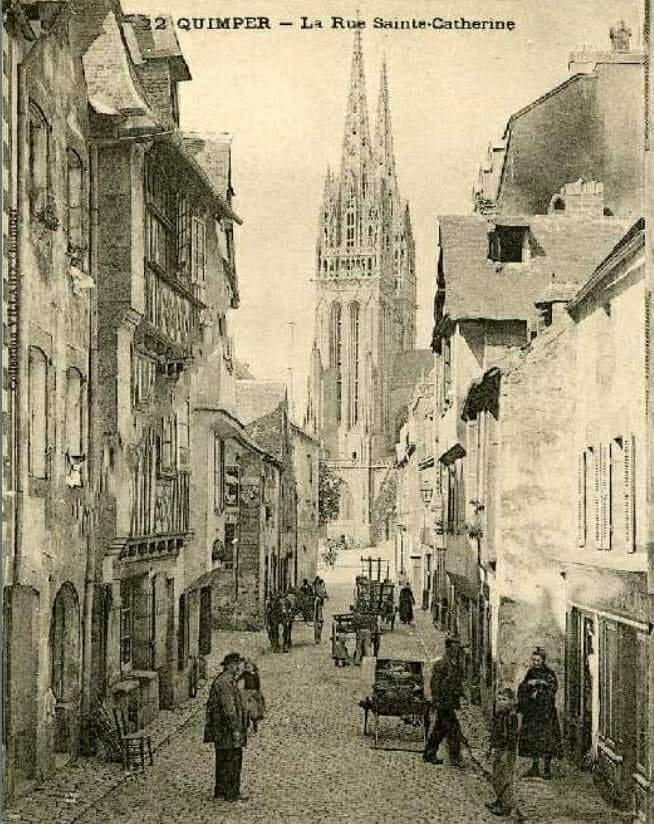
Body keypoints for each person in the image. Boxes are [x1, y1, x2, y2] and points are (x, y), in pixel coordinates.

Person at [204, 653, 248, 802]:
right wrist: (235, 729)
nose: (239, 667)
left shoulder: (227, 680)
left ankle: (221, 791)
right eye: (236, 664)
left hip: (222, 729)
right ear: (230, 665)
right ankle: (231, 793)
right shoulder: (225, 683)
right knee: (233, 759)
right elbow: (229, 709)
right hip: (226, 729)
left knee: (223, 758)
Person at [517, 647, 563, 779]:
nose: (535, 663)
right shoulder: (531, 672)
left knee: (547, 740)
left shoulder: (549, 674)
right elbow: (523, 687)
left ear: (543, 661)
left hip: (546, 713)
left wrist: (541, 689)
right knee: (533, 739)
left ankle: (547, 769)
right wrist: (529, 685)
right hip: (533, 713)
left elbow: (553, 689)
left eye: (538, 660)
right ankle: (535, 766)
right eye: (534, 660)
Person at [423, 637, 465, 767]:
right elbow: (435, 684)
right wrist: (436, 701)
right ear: (448, 649)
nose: (456, 651)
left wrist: (459, 691)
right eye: (454, 648)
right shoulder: (442, 664)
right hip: (443, 703)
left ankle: (429, 754)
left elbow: (455, 682)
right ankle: (455, 757)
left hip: (449, 703)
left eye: (457, 649)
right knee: (453, 729)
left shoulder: (454, 663)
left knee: (440, 730)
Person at [486, 687, 519, 817]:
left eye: (504, 699)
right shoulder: (499, 715)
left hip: (506, 750)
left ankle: (506, 805)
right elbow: (494, 734)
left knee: (505, 778)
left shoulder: (511, 717)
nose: (501, 702)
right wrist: (490, 748)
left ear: (511, 701)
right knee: (496, 777)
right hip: (498, 748)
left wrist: (506, 752)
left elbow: (511, 736)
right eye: (499, 699)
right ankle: (499, 801)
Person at [239, 659, 266, 734]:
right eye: (246, 667)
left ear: (253, 667)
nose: (247, 669)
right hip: (246, 691)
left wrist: (257, 691)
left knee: (255, 708)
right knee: (245, 708)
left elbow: (258, 684)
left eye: (249, 667)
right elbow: (238, 678)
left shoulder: (255, 675)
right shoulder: (244, 674)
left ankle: (255, 723)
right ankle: (246, 725)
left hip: (254, 691)